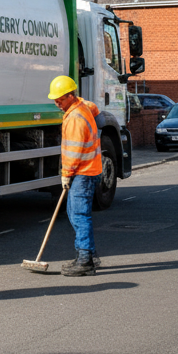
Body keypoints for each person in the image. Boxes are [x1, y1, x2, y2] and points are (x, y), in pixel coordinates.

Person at [48, 75, 102, 277]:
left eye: (60, 99)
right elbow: (94, 107)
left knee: (79, 216)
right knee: (74, 213)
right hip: (87, 170)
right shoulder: (82, 107)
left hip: (82, 172)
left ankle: (85, 260)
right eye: (55, 99)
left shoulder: (75, 119)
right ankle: (90, 256)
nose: (57, 103)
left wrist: (66, 174)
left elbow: (73, 152)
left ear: (71, 96)